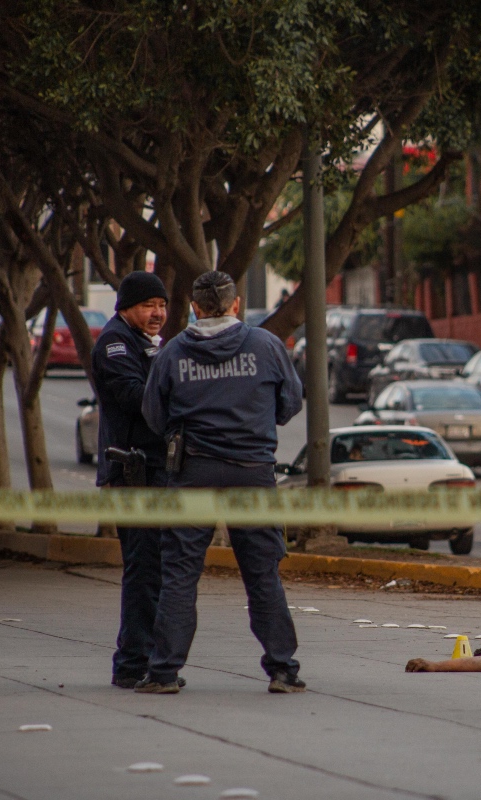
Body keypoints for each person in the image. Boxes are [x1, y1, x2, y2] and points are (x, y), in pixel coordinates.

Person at [139, 270, 304, 694]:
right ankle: (283, 670)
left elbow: (154, 417)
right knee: (262, 574)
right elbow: (290, 403)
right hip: (253, 473)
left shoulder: (173, 353)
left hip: (193, 472)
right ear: (235, 304)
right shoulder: (266, 346)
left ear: (195, 307)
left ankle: (163, 672)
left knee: (179, 574)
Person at [91, 272, 172, 690]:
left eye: (162, 305)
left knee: (152, 569)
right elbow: (134, 396)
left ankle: (144, 658)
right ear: (125, 306)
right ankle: (132, 664)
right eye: (148, 306)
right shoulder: (115, 342)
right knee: (143, 571)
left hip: (151, 472)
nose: (157, 313)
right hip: (133, 473)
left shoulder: (146, 342)